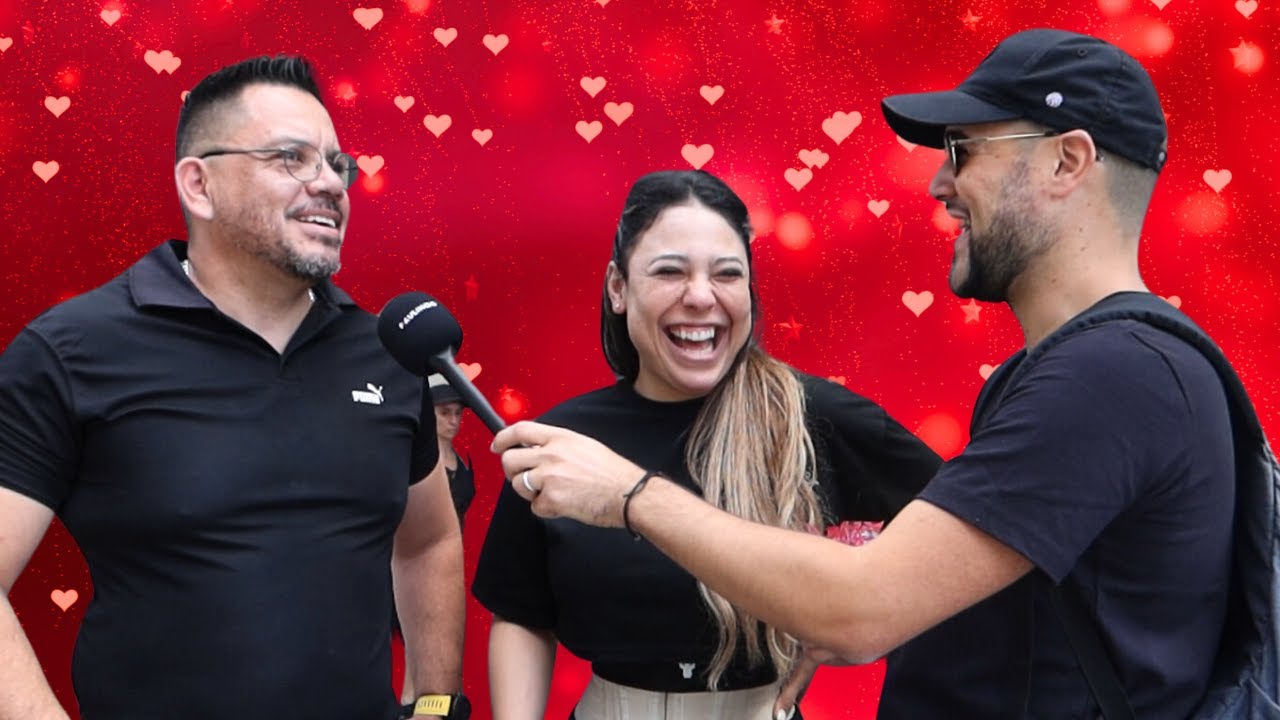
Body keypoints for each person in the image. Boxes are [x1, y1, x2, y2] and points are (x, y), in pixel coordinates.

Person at [491, 29, 1237, 719]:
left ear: (1067, 161)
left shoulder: (1108, 380)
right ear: (618, 288)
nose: (940, 186)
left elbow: (857, 613)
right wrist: (831, 575)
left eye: (964, 151)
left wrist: (629, 495)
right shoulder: (1086, 371)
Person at [0, 56, 469, 720]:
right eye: (291, 159)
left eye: (339, 165)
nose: (330, 185)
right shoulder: (72, 351)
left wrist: (434, 704)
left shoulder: (387, 354)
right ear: (200, 184)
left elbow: (427, 541)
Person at [472, 169, 941, 720]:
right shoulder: (564, 443)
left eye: (727, 274)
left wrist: (872, 618)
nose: (700, 296)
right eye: (669, 272)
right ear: (618, 289)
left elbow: (966, 536)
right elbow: (524, 614)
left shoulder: (815, 418)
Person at [429, 374, 477, 525]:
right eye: (445, 413)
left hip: (458, 544)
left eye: (458, 413)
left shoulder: (465, 459)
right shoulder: (415, 459)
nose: (454, 421)